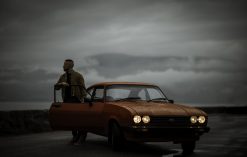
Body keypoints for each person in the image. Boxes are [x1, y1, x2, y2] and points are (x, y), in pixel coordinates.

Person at [55, 59, 87, 144]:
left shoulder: (78, 75)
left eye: (65, 64)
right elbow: (56, 87)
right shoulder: (62, 77)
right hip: (66, 100)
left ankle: (82, 135)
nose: (63, 66)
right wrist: (61, 84)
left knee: (78, 120)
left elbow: (83, 88)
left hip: (76, 100)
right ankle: (75, 136)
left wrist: (84, 100)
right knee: (71, 120)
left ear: (70, 66)